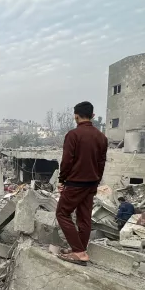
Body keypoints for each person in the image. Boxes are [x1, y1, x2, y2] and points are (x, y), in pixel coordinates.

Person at [56, 102, 108, 266]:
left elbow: (66, 162)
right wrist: (96, 180)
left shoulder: (73, 135)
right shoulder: (101, 137)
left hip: (75, 183)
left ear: (76, 115)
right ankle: (80, 250)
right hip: (91, 183)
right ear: (92, 116)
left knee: (62, 214)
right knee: (84, 218)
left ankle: (78, 252)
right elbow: (101, 163)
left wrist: (62, 180)